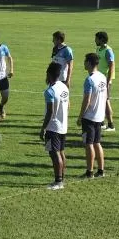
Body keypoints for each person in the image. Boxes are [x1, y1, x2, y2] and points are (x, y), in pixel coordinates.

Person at [77, 53, 107, 179]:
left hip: (89, 116)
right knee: (97, 143)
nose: (84, 63)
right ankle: (101, 171)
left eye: (85, 61)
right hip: (99, 115)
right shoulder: (102, 76)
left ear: (89, 63)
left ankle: (89, 172)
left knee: (89, 144)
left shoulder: (89, 80)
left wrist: (80, 116)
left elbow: (87, 100)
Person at [40, 62, 70, 190]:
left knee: (54, 154)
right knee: (61, 152)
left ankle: (58, 182)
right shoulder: (64, 87)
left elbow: (50, 111)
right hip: (63, 125)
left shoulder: (50, 91)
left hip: (53, 127)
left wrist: (43, 128)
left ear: (49, 74)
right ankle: (61, 177)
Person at [95, 31, 116, 131]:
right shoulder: (98, 49)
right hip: (99, 79)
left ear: (101, 39)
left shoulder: (108, 51)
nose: (95, 40)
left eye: (96, 38)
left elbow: (111, 66)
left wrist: (108, 81)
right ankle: (102, 123)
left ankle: (111, 125)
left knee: (106, 101)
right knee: (100, 101)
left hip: (105, 80)